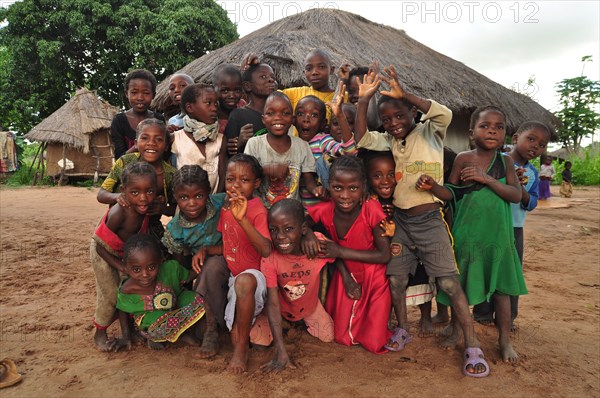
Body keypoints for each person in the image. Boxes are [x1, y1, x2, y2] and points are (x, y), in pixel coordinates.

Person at [354, 66, 488, 377]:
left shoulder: (431, 131)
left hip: (430, 220)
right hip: (401, 222)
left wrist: (405, 95)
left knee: (449, 282)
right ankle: (403, 329)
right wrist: (363, 102)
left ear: (414, 113)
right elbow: (361, 138)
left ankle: (471, 344)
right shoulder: (389, 141)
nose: (393, 124)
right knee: (397, 280)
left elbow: (445, 114)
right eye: (386, 120)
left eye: (399, 116)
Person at [417, 105, 526, 366]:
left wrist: (486, 179)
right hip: (465, 237)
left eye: (499, 127)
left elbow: (516, 195)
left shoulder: (506, 161)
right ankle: (457, 330)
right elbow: (451, 194)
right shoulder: (463, 158)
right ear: (471, 132)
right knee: (461, 286)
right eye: (485, 126)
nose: (492, 131)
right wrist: (434, 187)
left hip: (498, 238)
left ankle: (504, 339)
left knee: (501, 292)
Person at [194, 154, 272, 373]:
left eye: (244, 180)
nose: (236, 185)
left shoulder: (257, 210)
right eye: (230, 179)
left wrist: (242, 219)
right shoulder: (227, 209)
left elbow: (265, 249)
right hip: (233, 279)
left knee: (245, 281)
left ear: (256, 183)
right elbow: (230, 246)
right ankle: (216, 328)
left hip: (254, 281)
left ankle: (241, 351)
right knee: (211, 268)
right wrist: (206, 250)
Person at [306, 157, 392, 354]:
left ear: (363, 187)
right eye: (337, 188)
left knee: (374, 341)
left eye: (353, 189)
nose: (345, 196)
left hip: (374, 277)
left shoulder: (371, 209)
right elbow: (302, 224)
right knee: (342, 336)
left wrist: (339, 251)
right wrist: (309, 234)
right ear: (329, 186)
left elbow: (384, 255)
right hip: (345, 274)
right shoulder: (325, 210)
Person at [473, 121, 551, 328]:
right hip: (489, 226)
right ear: (516, 139)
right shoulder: (496, 161)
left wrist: (520, 188)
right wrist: (508, 180)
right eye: (531, 139)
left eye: (542, 145)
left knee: (511, 273)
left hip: (514, 229)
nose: (535, 146)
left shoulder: (532, 173)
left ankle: (508, 318)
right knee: (487, 268)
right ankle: (482, 313)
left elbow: (531, 203)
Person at [364, 151, 435, 336]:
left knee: (421, 278)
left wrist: (395, 211)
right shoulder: (370, 199)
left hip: (412, 245)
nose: (385, 181)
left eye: (391, 174)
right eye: (377, 176)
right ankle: (395, 319)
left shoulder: (405, 194)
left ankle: (425, 316)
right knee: (391, 282)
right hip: (388, 249)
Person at [260, 199, 335, 372]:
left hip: (308, 307)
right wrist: (280, 350)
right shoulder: (270, 257)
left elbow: (336, 257)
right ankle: (285, 325)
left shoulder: (317, 244)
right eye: (273, 230)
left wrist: (347, 279)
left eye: (288, 229)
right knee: (259, 342)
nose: (280, 236)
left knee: (328, 337)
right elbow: (272, 302)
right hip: (280, 309)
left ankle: (298, 323)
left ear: (303, 229)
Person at [90, 162, 156, 351]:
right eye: (135, 193)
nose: (143, 198)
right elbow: (99, 246)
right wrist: (120, 266)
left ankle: (127, 334)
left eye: (149, 192)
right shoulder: (120, 212)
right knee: (110, 295)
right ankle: (100, 334)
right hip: (103, 253)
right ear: (124, 192)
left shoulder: (147, 208)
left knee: (127, 290)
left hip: (123, 254)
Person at [114, 234, 206, 350]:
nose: (145, 274)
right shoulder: (127, 289)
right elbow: (122, 309)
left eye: (151, 267)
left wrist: (203, 265)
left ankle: (183, 333)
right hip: (152, 318)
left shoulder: (171, 269)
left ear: (160, 261)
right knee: (158, 324)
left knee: (200, 301)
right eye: (136, 269)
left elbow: (189, 275)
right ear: (126, 266)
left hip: (176, 304)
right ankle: (177, 335)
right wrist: (125, 336)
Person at [98, 118, 176, 239]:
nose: (151, 143)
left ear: (166, 146)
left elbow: (178, 208)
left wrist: (163, 209)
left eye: (159, 139)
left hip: (150, 229)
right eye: (145, 138)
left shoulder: (170, 174)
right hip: (120, 226)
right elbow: (101, 194)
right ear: (135, 143)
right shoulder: (124, 162)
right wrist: (118, 197)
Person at [244, 91, 324, 208]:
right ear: (263, 119)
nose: (278, 118)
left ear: (292, 119)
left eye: (285, 113)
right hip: (260, 211)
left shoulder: (302, 146)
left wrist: (316, 190)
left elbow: (309, 180)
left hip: (291, 212)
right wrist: (268, 169)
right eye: (270, 113)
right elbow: (246, 174)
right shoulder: (254, 144)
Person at [295, 90, 357, 204]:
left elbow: (350, 152)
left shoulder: (322, 140)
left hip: (325, 206)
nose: (306, 119)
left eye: (314, 115)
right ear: (294, 120)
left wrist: (340, 116)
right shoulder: (293, 143)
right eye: (300, 114)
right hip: (303, 209)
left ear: (323, 123)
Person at [162, 165, 226, 270]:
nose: (192, 203)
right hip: (206, 269)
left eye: (198, 196)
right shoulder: (175, 230)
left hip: (236, 256)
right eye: (184, 197)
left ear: (208, 191)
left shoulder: (223, 203)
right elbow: (181, 266)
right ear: (175, 196)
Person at [171, 83, 227, 193]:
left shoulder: (221, 139)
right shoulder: (176, 139)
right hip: (186, 205)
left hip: (214, 204)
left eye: (216, 103)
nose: (214, 108)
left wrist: (217, 202)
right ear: (190, 107)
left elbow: (222, 174)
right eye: (208, 103)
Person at [224, 63, 277, 156]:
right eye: (263, 76)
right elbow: (229, 153)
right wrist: (240, 142)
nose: (271, 79)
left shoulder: (280, 114)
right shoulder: (238, 115)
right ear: (248, 86)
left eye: (273, 77)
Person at [111, 69, 165, 159]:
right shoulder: (119, 121)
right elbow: (119, 158)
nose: (140, 98)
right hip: (129, 171)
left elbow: (163, 152)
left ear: (153, 95)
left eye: (146, 93)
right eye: (134, 92)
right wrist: (138, 146)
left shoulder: (159, 119)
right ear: (126, 94)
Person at [213, 64, 246, 134]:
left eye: (237, 90)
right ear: (214, 89)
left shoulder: (242, 105)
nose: (232, 96)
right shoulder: (210, 116)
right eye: (225, 90)